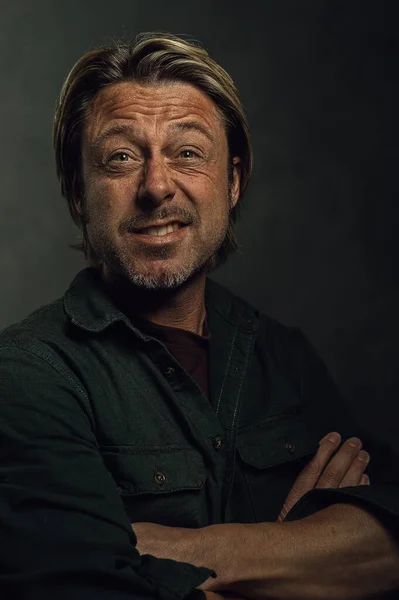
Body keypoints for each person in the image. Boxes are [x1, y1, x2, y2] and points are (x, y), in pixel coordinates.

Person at [0, 31, 398, 600]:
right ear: (79, 194)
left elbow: (389, 553)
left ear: (231, 183)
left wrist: (192, 552)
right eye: (121, 157)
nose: (157, 186)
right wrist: (298, 558)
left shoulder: (284, 356)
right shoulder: (26, 376)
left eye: (187, 153)